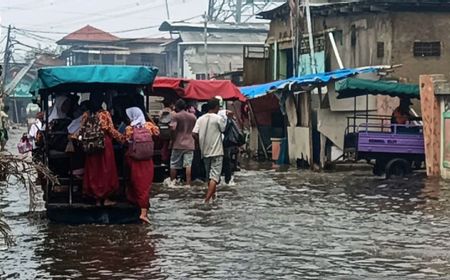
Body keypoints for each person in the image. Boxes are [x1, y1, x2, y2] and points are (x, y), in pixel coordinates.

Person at [80, 93, 125, 206]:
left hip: (91, 145)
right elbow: (111, 130)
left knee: (94, 170)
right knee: (105, 170)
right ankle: (105, 199)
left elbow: (81, 130)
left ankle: (96, 199)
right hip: (104, 143)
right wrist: (122, 139)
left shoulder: (86, 114)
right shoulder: (105, 114)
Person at [124, 107, 159, 224]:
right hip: (147, 161)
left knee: (135, 183)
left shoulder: (129, 128)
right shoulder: (149, 126)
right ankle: (143, 212)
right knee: (145, 185)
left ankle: (137, 207)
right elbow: (158, 134)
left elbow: (125, 140)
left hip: (134, 160)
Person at [192, 98, 229, 203]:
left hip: (205, 151)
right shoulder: (218, 118)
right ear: (217, 107)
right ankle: (207, 200)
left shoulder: (200, 119)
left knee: (209, 176)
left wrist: (199, 142)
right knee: (215, 177)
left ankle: (213, 197)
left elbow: (194, 133)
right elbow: (223, 129)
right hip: (217, 151)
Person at [166, 99, 197, 187]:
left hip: (178, 143)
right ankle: (188, 183)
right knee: (188, 165)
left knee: (174, 164)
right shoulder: (193, 117)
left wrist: (172, 138)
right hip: (190, 143)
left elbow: (173, 128)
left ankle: (172, 182)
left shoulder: (176, 116)